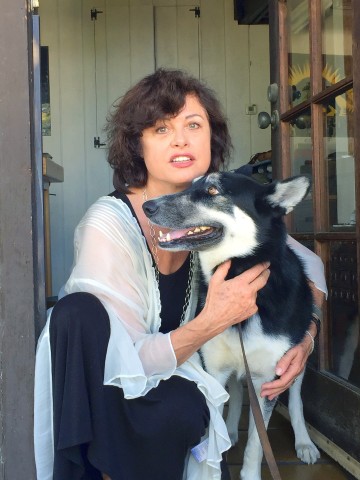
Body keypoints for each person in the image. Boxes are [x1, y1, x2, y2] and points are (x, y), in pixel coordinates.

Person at [34, 68, 327, 480]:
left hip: (173, 384)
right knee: (78, 313)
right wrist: (213, 322)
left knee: (187, 405)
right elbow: (126, 361)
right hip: (109, 393)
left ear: (212, 139)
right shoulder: (107, 225)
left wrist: (307, 338)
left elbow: (307, 264)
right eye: (160, 129)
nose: (181, 139)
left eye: (194, 125)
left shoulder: (214, 219)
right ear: (138, 145)